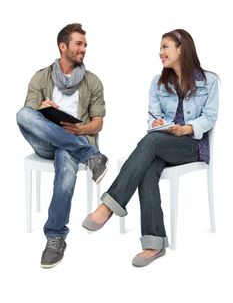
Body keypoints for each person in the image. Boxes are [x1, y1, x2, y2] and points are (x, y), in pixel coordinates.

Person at [82, 29, 219, 267]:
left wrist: (185, 129)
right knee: (147, 165)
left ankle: (109, 205)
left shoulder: (210, 81)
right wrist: (157, 124)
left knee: (151, 143)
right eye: (161, 48)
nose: (160, 53)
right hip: (162, 144)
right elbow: (153, 118)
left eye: (165, 47)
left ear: (181, 48)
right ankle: (154, 244)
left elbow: (209, 117)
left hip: (192, 145)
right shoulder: (158, 82)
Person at [16, 23, 108, 268]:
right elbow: (30, 115)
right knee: (23, 114)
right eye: (79, 43)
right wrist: (43, 109)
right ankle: (91, 155)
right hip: (46, 141)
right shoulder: (41, 77)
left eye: (85, 45)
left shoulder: (93, 82)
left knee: (66, 157)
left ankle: (55, 237)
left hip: (73, 142)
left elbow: (98, 124)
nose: (84, 49)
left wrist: (79, 129)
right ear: (63, 46)